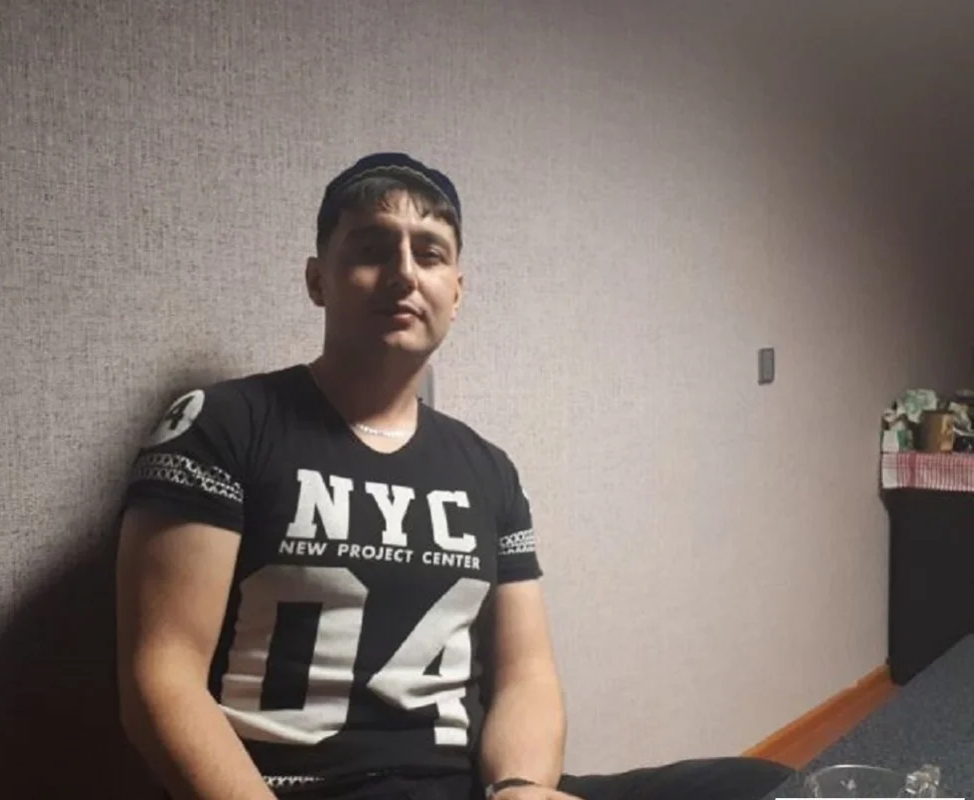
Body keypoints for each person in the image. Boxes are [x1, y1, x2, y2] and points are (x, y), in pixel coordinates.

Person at [114, 153, 793, 800]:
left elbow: (526, 674)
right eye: (372, 249)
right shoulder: (223, 424)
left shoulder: (487, 470)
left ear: (457, 292)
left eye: (430, 253)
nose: (404, 274)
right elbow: (162, 678)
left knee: (766, 785)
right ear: (318, 279)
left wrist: (520, 787)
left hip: (467, 790)